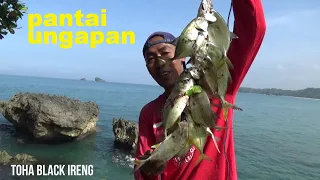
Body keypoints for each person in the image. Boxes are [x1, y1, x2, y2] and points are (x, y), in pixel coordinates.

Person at [134, 0, 266, 179]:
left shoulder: (216, 83)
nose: (159, 62)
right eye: (150, 58)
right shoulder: (149, 113)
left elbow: (253, 28)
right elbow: (140, 171)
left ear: (183, 55)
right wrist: (147, 169)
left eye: (165, 53)